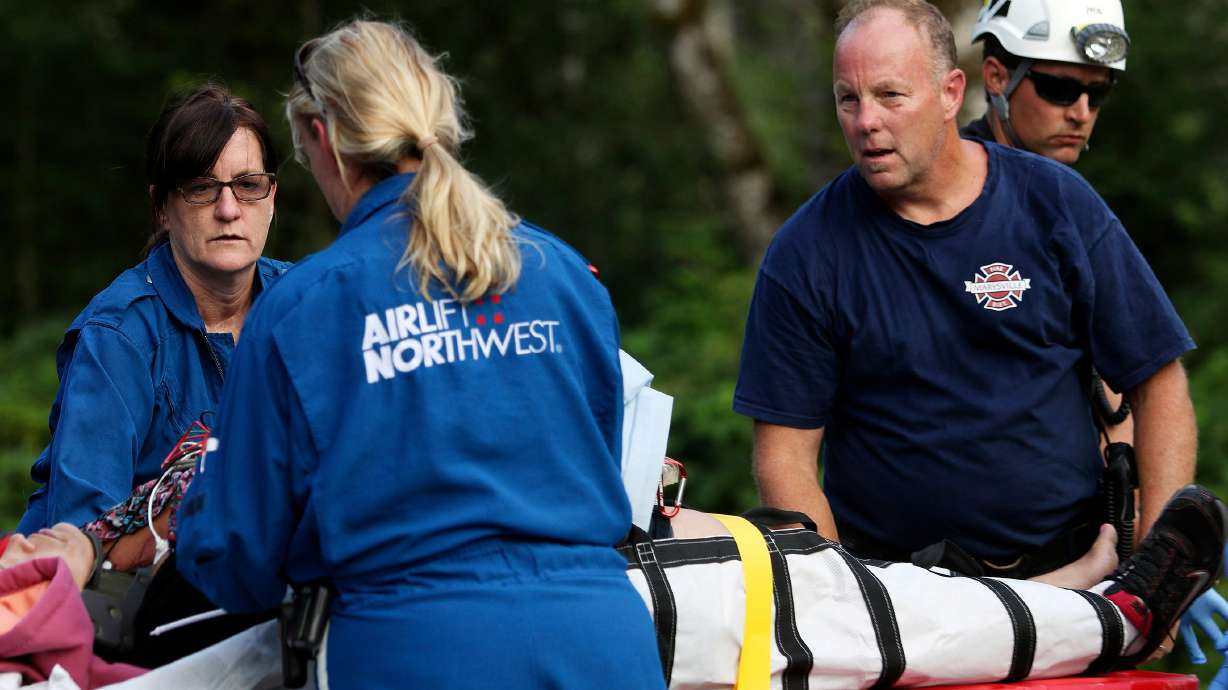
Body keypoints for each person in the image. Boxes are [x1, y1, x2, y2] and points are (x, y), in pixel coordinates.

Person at [174, 19, 666, 690]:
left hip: (419, 652)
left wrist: (194, 508)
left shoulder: (303, 307)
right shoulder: (566, 275)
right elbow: (598, 468)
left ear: (322, 137)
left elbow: (241, 561)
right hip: (608, 646)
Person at [733, 0, 1195, 585]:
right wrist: (846, 601)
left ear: (952, 93)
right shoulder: (805, 251)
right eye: (848, 99)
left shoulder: (1056, 203)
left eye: (890, 95)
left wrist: (1164, 567)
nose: (866, 120)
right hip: (906, 600)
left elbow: (1158, 380)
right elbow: (785, 458)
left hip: (1078, 580)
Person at [16, 84, 290, 534]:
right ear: (162, 207)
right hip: (116, 591)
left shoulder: (304, 305)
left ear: (271, 197)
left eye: (247, 185)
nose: (228, 209)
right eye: (201, 187)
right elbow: (85, 532)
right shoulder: (118, 336)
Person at [962, 0, 1126, 166]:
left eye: (1098, 93)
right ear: (996, 77)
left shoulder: (1065, 188)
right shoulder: (946, 183)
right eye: (1060, 89)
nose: (1082, 115)